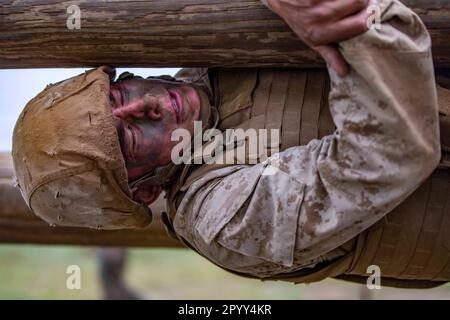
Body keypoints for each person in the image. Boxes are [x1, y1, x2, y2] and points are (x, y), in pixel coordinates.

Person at [12, 0, 450, 288]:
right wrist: (347, 17)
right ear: (143, 190)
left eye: (118, 95)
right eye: (127, 136)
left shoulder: (207, 48)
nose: (148, 103)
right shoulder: (221, 220)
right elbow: (385, 154)